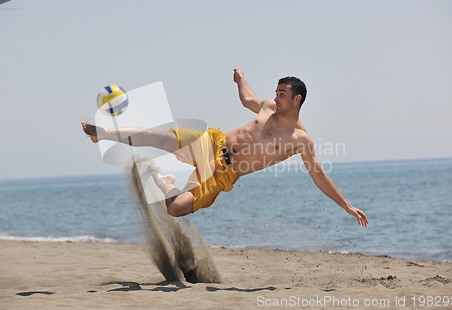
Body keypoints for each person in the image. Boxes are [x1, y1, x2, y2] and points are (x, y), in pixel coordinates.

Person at [82, 68, 369, 227]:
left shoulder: (300, 140)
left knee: (175, 209)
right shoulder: (268, 107)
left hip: (222, 175)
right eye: (277, 92)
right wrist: (241, 80)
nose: (276, 97)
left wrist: (347, 206)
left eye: (283, 94)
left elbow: (319, 175)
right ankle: (105, 133)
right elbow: (248, 99)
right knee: (161, 138)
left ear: (298, 100)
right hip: (211, 143)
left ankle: (164, 181)